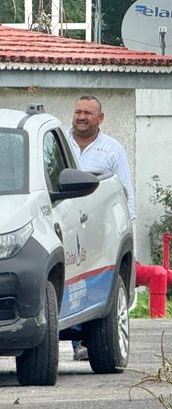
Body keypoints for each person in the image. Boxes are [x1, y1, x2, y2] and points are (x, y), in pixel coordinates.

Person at [66, 95, 136, 361]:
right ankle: (75, 340)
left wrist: (125, 227)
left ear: (100, 118)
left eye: (88, 113)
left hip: (97, 228)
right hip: (65, 223)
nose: (81, 117)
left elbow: (123, 189)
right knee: (70, 280)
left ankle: (86, 339)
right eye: (78, 112)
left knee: (92, 280)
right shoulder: (60, 142)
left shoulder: (112, 150)